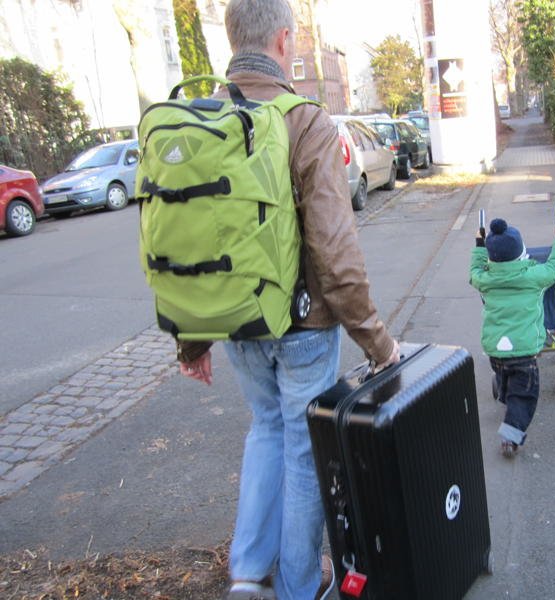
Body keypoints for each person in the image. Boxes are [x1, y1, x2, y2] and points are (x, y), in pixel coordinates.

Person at [176, 1, 400, 598]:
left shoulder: (202, 121)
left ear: (232, 40)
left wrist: (192, 338)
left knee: (265, 430)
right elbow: (334, 252)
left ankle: (248, 576)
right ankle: (301, 586)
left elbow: (190, 239)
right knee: (303, 450)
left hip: (237, 322)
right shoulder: (306, 121)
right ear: (283, 40)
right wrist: (378, 342)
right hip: (304, 327)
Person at [469, 217, 555, 457]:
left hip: (495, 350)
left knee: (505, 376)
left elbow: (474, 270)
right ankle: (511, 435)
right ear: (521, 253)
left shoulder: (485, 279)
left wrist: (478, 244)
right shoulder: (534, 275)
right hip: (524, 352)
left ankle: (507, 398)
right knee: (524, 395)